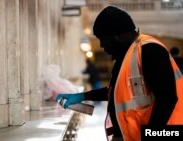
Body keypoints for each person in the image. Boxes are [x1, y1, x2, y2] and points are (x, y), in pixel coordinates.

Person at [56, 6, 183, 141]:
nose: (102, 46)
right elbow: (116, 92)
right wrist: (82, 96)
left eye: (102, 39)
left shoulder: (150, 50)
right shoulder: (125, 57)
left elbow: (167, 98)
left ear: (118, 36)